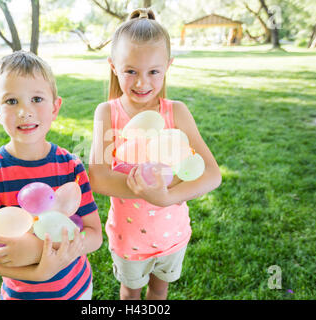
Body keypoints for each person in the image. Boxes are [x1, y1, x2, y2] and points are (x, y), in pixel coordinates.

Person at [88, 8, 221, 300]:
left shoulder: (177, 113)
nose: (141, 83)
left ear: (168, 66)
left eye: (153, 72)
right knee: (131, 292)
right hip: (129, 239)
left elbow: (212, 174)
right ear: (113, 66)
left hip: (172, 236)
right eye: (131, 71)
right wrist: (150, 189)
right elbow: (98, 177)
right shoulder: (107, 113)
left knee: (159, 290)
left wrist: (167, 197)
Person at [0, 51, 102, 300]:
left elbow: (94, 234)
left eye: (37, 99)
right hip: (21, 295)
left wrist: (50, 249)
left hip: (77, 289)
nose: (25, 111)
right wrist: (40, 273)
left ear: (55, 107)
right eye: (11, 101)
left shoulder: (71, 166)